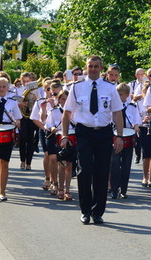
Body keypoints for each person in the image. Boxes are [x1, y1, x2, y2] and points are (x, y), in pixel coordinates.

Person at [61, 55, 124, 225]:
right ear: (86, 67)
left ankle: (98, 212)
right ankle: (85, 211)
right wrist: (65, 135)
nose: (93, 69)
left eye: (96, 66)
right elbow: (67, 113)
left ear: (101, 68)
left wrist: (119, 136)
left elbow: (117, 112)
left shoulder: (110, 88)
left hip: (103, 133)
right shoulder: (77, 87)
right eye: (90, 66)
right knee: (84, 170)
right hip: (84, 133)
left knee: (102, 172)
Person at [110, 82, 139, 200]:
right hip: (115, 135)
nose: (118, 96)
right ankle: (114, 189)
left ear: (127, 95)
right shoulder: (112, 106)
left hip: (128, 135)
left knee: (127, 165)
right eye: (117, 93)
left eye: (120, 94)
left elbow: (137, 120)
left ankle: (124, 189)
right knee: (115, 163)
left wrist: (136, 126)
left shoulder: (132, 106)